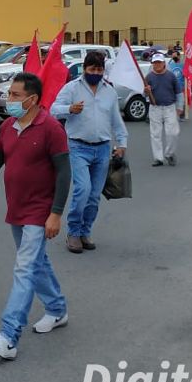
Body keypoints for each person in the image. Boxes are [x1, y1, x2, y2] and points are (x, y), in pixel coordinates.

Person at [0, 72, 71, 361]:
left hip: (39, 211)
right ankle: (58, 309)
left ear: (32, 99)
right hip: (17, 210)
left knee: (24, 269)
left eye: (14, 95)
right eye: (9, 94)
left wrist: (56, 214)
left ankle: (8, 337)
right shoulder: (9, 126)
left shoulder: (51, 128)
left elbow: (64, 173)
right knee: (37, 264)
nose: (8, 99)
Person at [51, 51, 127, 254]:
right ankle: (73, 232)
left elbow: (116, 120)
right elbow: (53, 109)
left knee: (94, 196)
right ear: (84, 69)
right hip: (78, 147)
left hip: (102, 148)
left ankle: (85, 231)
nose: (96, 72)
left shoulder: (109, 91)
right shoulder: (72, 88)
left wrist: (122, 142)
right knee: (82, 190)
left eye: (99, 69)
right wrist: (69, 109)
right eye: (92, 69)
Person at [144, 53, 183, 166]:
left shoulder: (171, 76)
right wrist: (146, 91)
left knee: (173, 132)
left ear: (164, 63)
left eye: (159, 62)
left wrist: (180, 107)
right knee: (155, 134)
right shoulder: (149, 77)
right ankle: (158, 158)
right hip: (155, 108)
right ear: (152, 64)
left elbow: (179, 92)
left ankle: (169, 153)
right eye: (155, 63)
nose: (157, 65)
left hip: (169, 107)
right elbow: (145, 95)